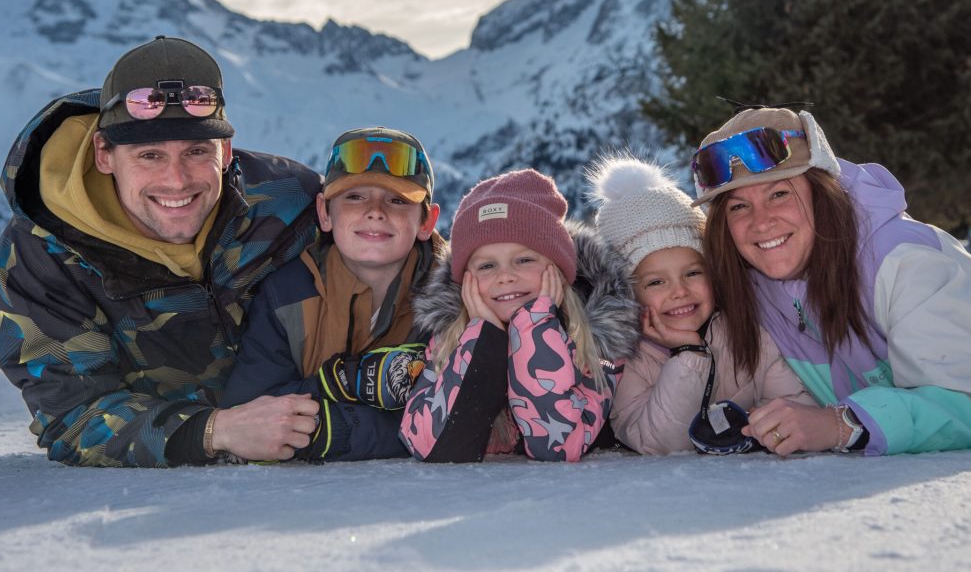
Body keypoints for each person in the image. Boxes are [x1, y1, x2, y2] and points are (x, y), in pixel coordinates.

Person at [690, 106, 971, 457]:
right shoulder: (756, 287)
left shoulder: (903, 260)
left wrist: (838, 425)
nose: (761, 222)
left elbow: (968, 408)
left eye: (779, 194)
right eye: (738, 207)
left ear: (821, 192)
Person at [0, 36, 323, 467]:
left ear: (224, 151)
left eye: (196, 151)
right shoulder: (42, 254)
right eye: (149, 155)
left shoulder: (289, 202)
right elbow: (73, 414)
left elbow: (400, 255)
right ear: (105, 154)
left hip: (329, 438)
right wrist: (214, 432)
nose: (177, 180)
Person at [220, 127, 443, 461]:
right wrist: (341, 382)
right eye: (354, 197)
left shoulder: (451, 302)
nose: (375, 211)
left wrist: (329, 429)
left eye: (397, 200)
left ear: (427, 221)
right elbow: (251, 410)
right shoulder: (287, 293)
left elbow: (446, 417)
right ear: (324, 212)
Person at [399, 169, 639, 462]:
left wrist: (535, 329)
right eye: (487, 266)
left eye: (524, 260)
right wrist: (483, 339)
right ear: (465, 281)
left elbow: (559, 447)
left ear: (558, 270)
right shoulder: (451, 339)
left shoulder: (594, 336)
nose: (506, 276)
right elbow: (428, 444)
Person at [588, 155, 813, 455]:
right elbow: (659, 443)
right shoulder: (626, 361)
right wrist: (688, 353)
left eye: (693, 273)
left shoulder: (748, 334)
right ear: (626, 294)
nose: (679, 291)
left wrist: (767, 425)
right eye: (656, 282)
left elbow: (796, 407)